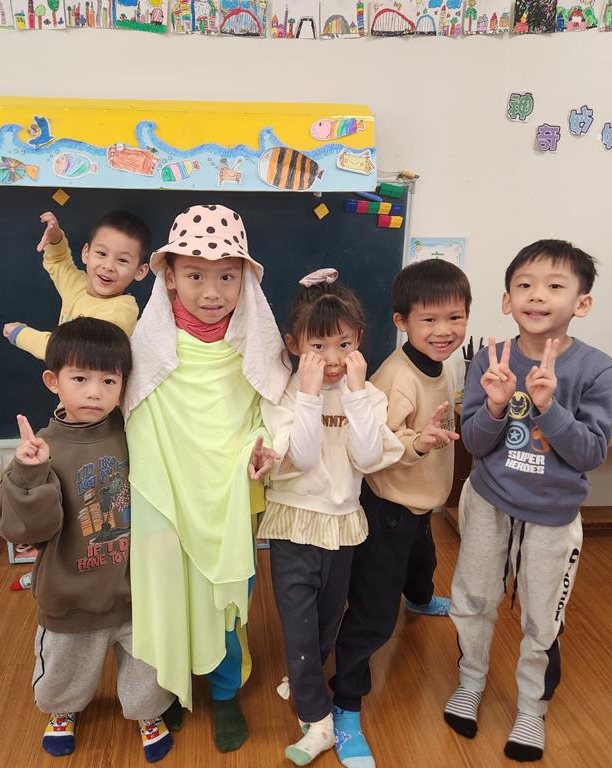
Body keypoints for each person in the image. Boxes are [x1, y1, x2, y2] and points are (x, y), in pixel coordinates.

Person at [443, 240, 612, 762]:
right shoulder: (491, 359)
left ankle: (530, 710)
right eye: (524, 285)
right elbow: (474, 444)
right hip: (489, 503)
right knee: (473, 599)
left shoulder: (597, 370)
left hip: (553, 516)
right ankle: (470, 682)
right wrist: (497, 406)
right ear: (507, 300)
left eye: (554, 286)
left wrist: (547, 407)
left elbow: (590, 454)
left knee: (543, 618)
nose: (537, 295)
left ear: (582, 303)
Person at [123, 204, 291, 752]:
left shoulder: (258, 345)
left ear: (245, 279)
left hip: (231, 497)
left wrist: (263, 448)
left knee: (228, 603)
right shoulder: (149, 345)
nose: (212, 292)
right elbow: (137, 415)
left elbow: (272, 412)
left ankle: (225, 693)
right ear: (169, 276)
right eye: (195, 275)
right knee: (168, 594)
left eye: (227, 276)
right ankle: (171, 686)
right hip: (167, 496)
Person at [0, 317, 173, 762]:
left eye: (109, 380)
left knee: (146, 663)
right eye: (80, 378)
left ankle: (148, 713)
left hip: (135, 592)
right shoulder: (41, 448)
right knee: (65, 668)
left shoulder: (135, 432)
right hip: (70, 596)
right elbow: (26, 530)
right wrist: (29, 473)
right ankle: (63, 710)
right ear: (53, 381)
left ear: (124, 384)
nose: (94, 392)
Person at [328, 258, 470, 768]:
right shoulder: (396, 378)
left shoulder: (442, 363)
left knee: (422, 561)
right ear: (401, 321)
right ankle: (345, 702)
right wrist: (418, 442)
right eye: (429, 320)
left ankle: (422, 598)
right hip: (388, 506)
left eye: (455, 318)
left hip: (420, 503)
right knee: (373, 613)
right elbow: (375, 447)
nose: (443, 330)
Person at [259, 269, 402, 765]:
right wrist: (309, 394)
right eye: (318, 346)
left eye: (344, 344)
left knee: (325, 620)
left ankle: (302, 675)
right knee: (298, 624)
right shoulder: (285, 393)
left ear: (359, 340)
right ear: (294, 345)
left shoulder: (369, 396)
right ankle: (317, 721)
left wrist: (357, 396)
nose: (334, 358)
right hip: (294, 521)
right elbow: (300, 456)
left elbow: (368, 457)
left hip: (342, 523)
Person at [3, 210, 151, 358]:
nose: (108, 266)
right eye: (101, 253)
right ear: (86, 253)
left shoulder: (121, 311)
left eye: (122, 260)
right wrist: (56, 240)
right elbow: (59, 262)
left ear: (140, 271)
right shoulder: (78, 286)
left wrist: (21, 335)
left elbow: (75, 351)